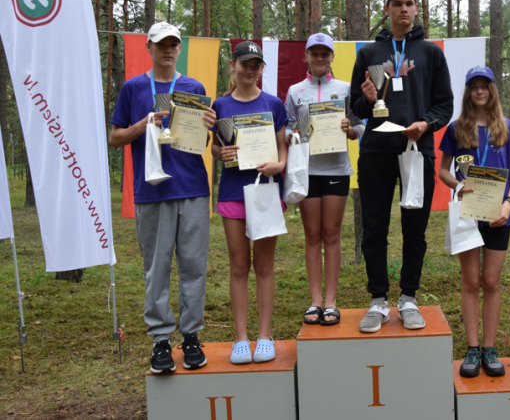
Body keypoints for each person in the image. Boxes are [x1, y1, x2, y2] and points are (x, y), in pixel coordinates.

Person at [109, 22, 216, 373]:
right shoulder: (133, 87)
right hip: (152, 191)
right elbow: (115, 138)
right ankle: (159, 339)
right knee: (156, 268)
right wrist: (143, 125)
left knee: (194, 266)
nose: (168, 50)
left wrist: (207, 127)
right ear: (149, 48)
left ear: (179, 48)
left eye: (173, 44)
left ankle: (191, 336)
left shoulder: (193, 87)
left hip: (193, 188)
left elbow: (201, 143)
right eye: (161, 44)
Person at [350, 0, 453, 333]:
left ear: (416, 9)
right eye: (397, 4)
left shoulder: (431, 53)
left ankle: (409, 297)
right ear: (387, 9)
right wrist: (367, 98)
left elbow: (445, 104)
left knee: (415, 229)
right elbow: (357, 107)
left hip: (417, 150)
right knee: (375, 228)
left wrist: (426, 124)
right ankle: (378, 300)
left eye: (409, 3)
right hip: (376, 151)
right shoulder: (368, 54)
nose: (404, 9)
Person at [438, 66, 510, 378]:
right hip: (468, 213)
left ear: (492, 90)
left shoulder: (508, 127)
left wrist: (509, 203)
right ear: (467, 91)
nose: (480, 91)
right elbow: (443, 170)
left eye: (485, 86)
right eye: (474, 86)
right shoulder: (456, 128)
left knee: (491, 281)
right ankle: (472, 348)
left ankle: (490, 348)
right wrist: (458, 186)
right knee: (470, 281)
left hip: (499, 215)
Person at [210, 41, 288, 364]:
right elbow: (215, 147)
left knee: (264, 266)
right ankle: (241, 338)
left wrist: (280, 166)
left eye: (256, 65)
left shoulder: (273, 103)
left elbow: (283, 149)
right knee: (239, 266)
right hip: (233, 192)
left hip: (266, 191)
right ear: (233, 65)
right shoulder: (220, 105)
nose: (250, 70)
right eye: (245, 64)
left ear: (261, 69)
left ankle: (265, 336)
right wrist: (221, 153)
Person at [284, 33, 366, 326]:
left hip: (336, 171)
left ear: (332, 57)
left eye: (324, 54)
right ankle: (315, 300)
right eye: (314, 54)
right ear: (306, 57)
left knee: (331, 234)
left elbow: (361, 124)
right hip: (306, 171)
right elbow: (287, 126)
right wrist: (292, 135)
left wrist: (350, 130)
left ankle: (331, 301)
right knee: (312, 235)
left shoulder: (345, 89)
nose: (319, 59)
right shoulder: (295, 91)